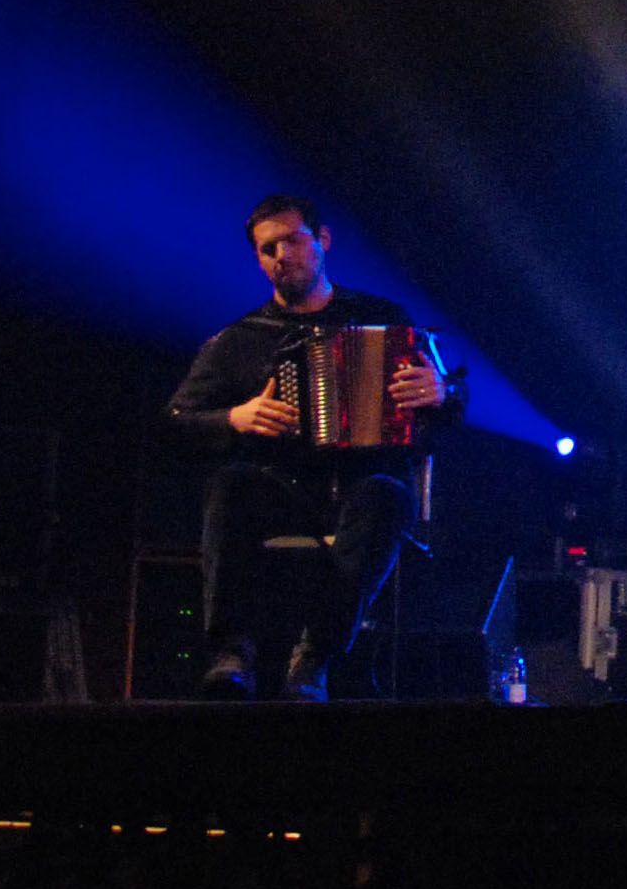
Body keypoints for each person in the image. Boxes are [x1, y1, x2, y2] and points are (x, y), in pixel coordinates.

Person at [165, 194, 457, 699]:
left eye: (292, 241)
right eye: (268, 249)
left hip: (365, 484)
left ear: (322, 241)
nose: (282, 256)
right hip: (285, 490)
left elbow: (446, 413)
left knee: (386, 496)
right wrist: (234, 418)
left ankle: (315, 657)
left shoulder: (383, 318)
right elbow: (176, 422)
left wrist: (442, 391)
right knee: (231, 486)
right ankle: (232, 652)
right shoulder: (241, 339)